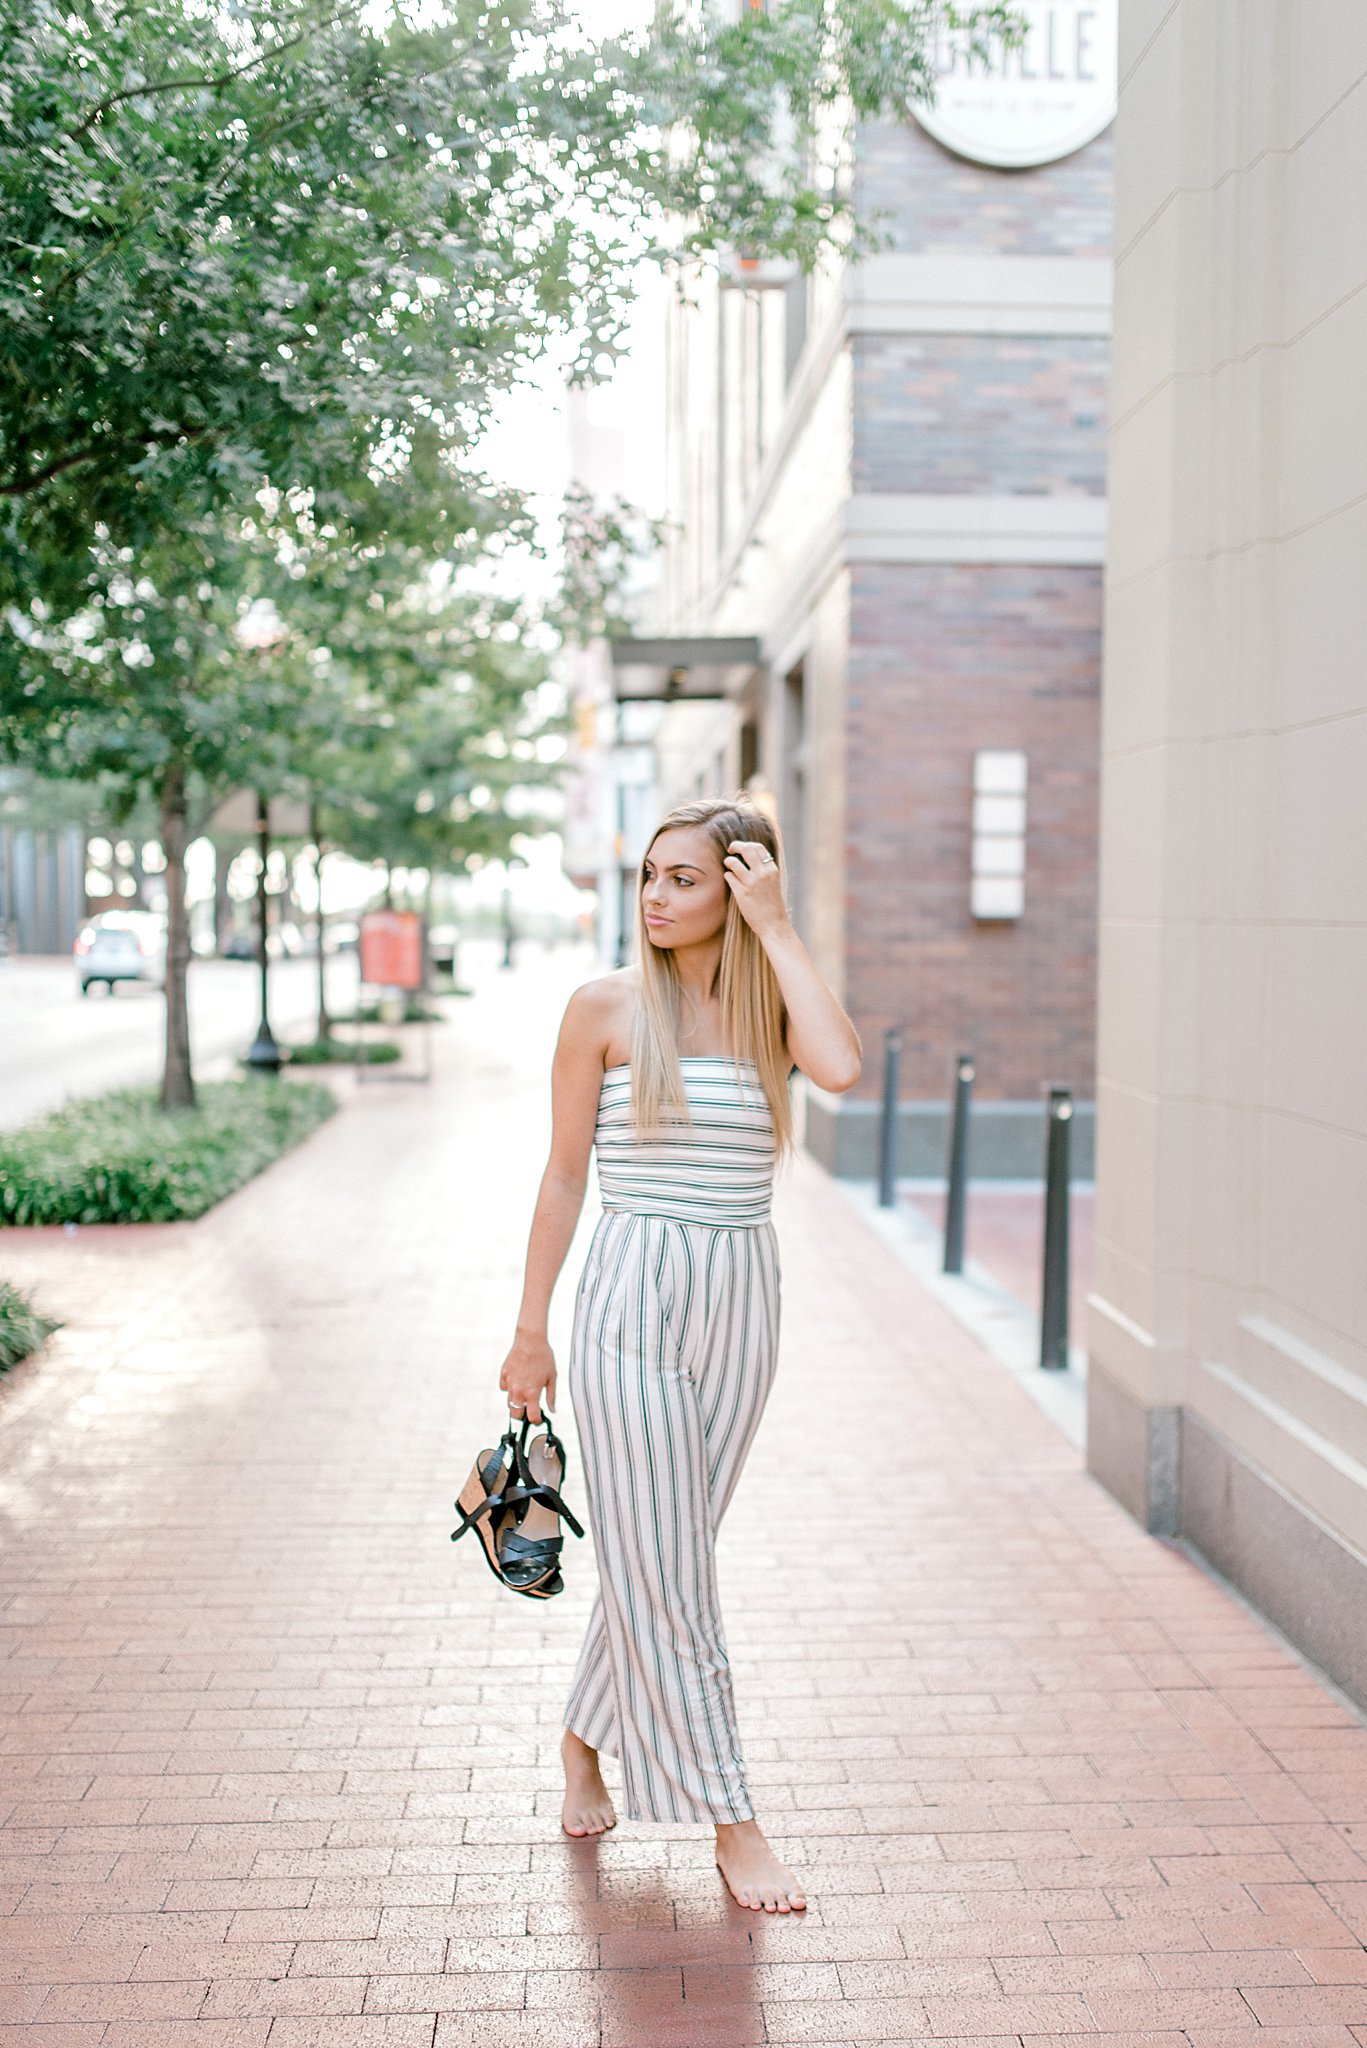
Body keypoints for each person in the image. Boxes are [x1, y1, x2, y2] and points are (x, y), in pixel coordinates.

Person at [499, 795, 861, 1913]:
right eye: (649, 875)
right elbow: (564, 1174)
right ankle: (730, 1818)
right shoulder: (602, 1006)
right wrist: (528, 1328)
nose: (655, 896)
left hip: (740, 1297)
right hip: (628, 1301)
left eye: (684, 879)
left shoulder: (768, 1008)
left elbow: (840, 1068)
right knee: (677, 1568)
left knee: (666, 1549)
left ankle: (579, 1739)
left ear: (739, 884)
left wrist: (782, 931)